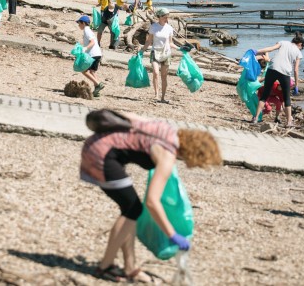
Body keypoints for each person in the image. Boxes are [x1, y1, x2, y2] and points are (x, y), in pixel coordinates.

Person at [80, 109, 222, 282]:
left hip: (96, 144)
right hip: (101, 156)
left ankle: (130, 267)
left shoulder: (167, 129)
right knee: (133, 209)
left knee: (131, 210)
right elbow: (152, 202)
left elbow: (129, 116)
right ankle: (104, 267)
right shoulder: (168, 154)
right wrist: (172, 234)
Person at [251, 32, 304, 127]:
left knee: (265, 95)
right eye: (302, 47)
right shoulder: (298, 52)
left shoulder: (283, 42)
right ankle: (289, 122)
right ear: (300, 44)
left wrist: (257, 51)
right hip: (285, 72)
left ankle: (255, 118)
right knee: (287, 98)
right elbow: (296, 70)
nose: (301, 49)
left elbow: (271, 48)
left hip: (272, 69)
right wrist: (296, 85)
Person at [142, 8, 178, 104]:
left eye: (167, 16)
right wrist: (142, 50)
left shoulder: (169, 28)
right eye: (165, 16)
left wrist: (180, 48)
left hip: (166, 53)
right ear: (160, 16)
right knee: (156, 72)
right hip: (155, 52)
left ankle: (163, 98)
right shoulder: (153, 27)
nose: (167, 18)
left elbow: (170, 43)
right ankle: (156, 94)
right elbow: (149, 41)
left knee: (164, 76)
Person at [76, 15, 104, 97]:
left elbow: (92, 42)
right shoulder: (88, 30)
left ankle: (98, 84)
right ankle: (97, 91)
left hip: (93, 54)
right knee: (92, 71)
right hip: (98, 53)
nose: (78, 25)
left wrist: (85, 48)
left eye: (79, 23)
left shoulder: (87, 30)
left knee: (84, 71)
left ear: (83, 23)